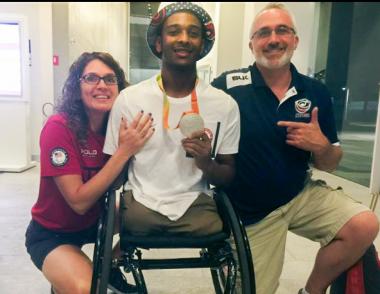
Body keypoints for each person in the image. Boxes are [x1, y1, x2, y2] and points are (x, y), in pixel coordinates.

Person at [211, 3, 379, 294]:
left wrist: (321, 146)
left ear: (295, 40)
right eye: (263, 32)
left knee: (364, 225)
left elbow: (330, 162)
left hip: (301, 194)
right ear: (252, 45)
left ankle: (311, 292)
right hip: (251, 212)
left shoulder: (315, 92)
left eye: (282, 30)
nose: (274, 39)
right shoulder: (227, 86)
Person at [104, 2, 240, 237]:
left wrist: (206, 162)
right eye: (174, 31)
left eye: (194, 33)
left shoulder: (224, 105)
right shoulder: (129, 100)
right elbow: (113, 176)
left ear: (202, 45)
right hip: (141, 205)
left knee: (217, 226)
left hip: (196, 206)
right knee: (130, 220)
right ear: (159, 43)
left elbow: (228, 175)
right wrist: (125, 151)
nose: (184, 39)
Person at [25, 52, 154, 294]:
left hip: (97, 220)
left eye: (110, 79)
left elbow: (118, 181)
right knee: (89, 289)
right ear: (77, 86)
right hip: (53, 232)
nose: (102, 85)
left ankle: (108, 267)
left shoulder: (117, 127)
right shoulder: (58, 127)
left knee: (156, 216)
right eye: (91, 78)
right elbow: (79, 201)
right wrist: (124, 151)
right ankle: (76, 276)